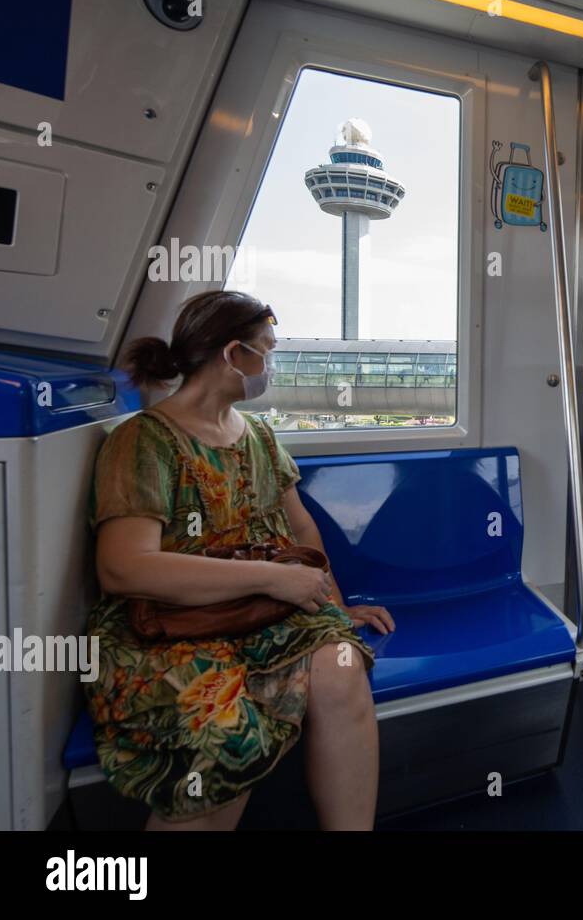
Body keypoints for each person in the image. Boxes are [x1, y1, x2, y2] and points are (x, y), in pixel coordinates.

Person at [86, 290, 395, 830]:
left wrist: (335, 607)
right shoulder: (142, 441)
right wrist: (274, 579)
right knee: (227, 735)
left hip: (261, 610)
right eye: (265, 351)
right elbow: (124, 568)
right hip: (171, 622)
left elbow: (300, 527)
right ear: (233, 355)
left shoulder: (258, 436)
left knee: (342, 670)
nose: (269, 366)